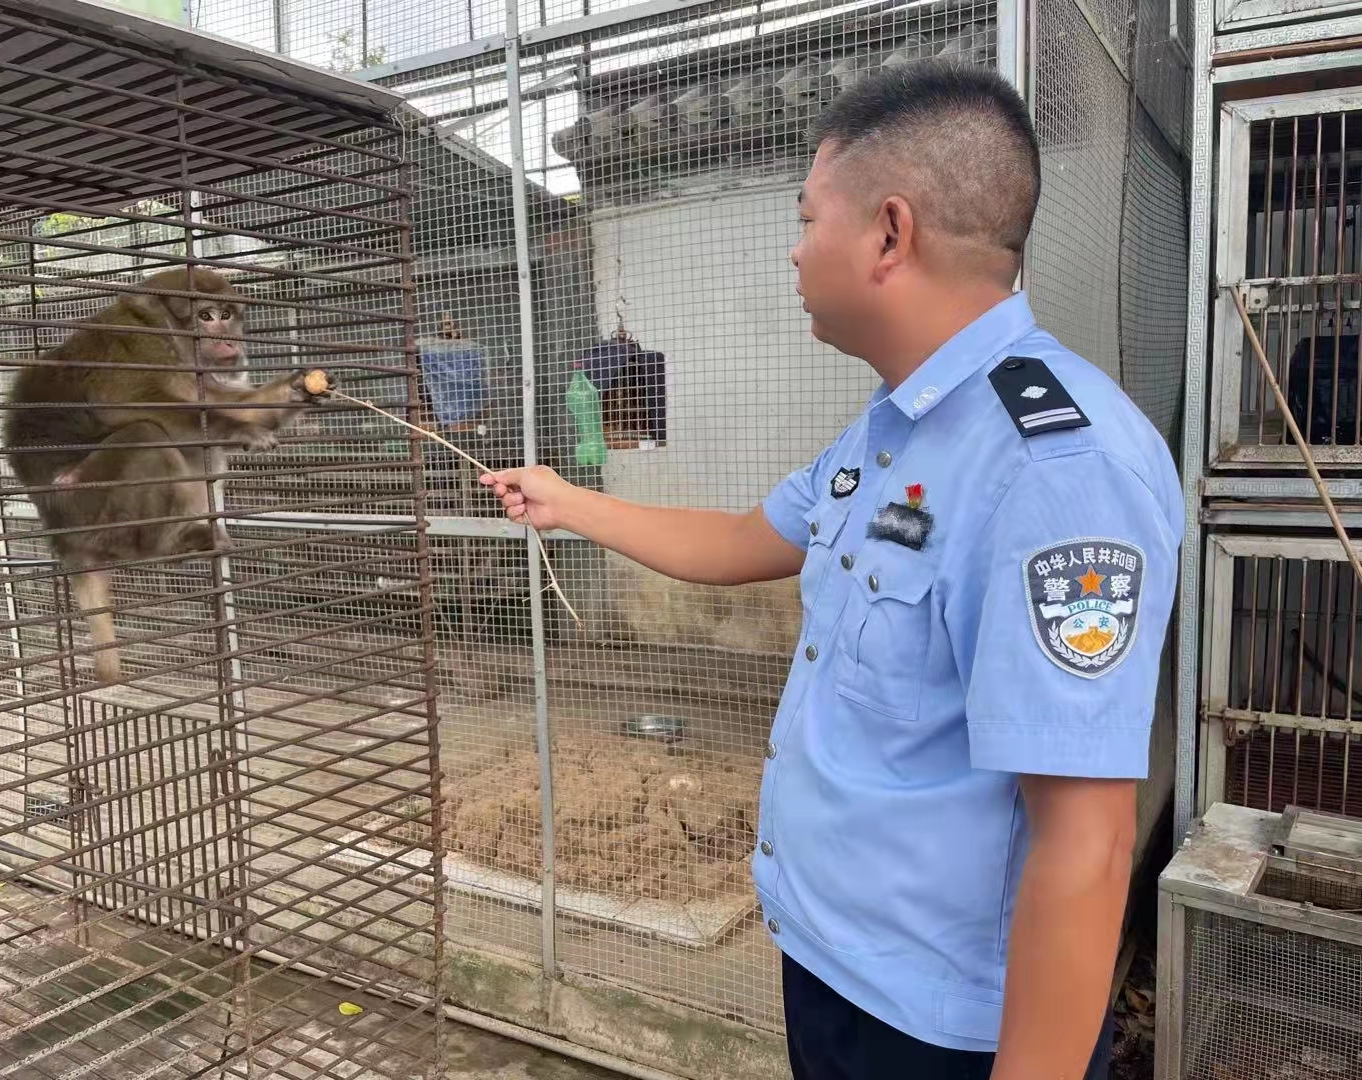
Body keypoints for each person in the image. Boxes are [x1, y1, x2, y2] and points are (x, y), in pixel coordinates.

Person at [480, 60, 1183, 1080]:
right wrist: (568, 500)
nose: (797, 252)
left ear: (889, 233)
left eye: (808, 220)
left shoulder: (1056, 469)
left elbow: (1088, 843)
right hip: (833, 971)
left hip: (942, 1033)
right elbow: (736, 542)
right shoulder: (888, 433)